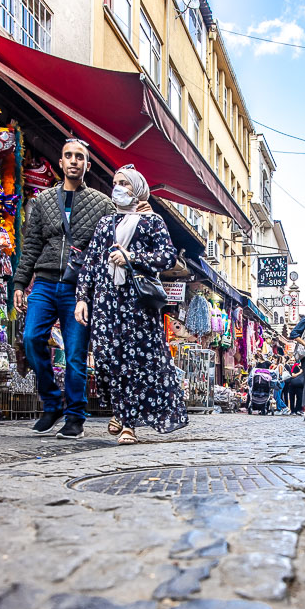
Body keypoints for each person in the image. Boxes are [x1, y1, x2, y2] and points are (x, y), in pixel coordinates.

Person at [74, 164, 188, 443]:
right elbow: (90, 262)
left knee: (133, 361)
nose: (118, 188)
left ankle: (128, 424)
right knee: (105, 359)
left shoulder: (152, 222)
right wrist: (81, 298)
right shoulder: (105, 223)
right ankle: (120, 408)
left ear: (137, 189)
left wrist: (131, 257)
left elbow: (166, 257)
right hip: (105, 300)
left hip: (136, 303)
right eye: (115, 182)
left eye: (124, 183)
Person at [14, 138, 117, 438]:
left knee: (74, 354)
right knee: (32, 338)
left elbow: (112, 242)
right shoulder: (44, 201)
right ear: (60, 162)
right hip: (45, 282)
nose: (73, 161)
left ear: (87, 164)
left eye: (79, 157)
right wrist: (20, 283)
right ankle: (51, 402)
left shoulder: (102, 204)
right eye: (68, 156)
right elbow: (31, 244)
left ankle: (75, 416)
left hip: (78, 289)